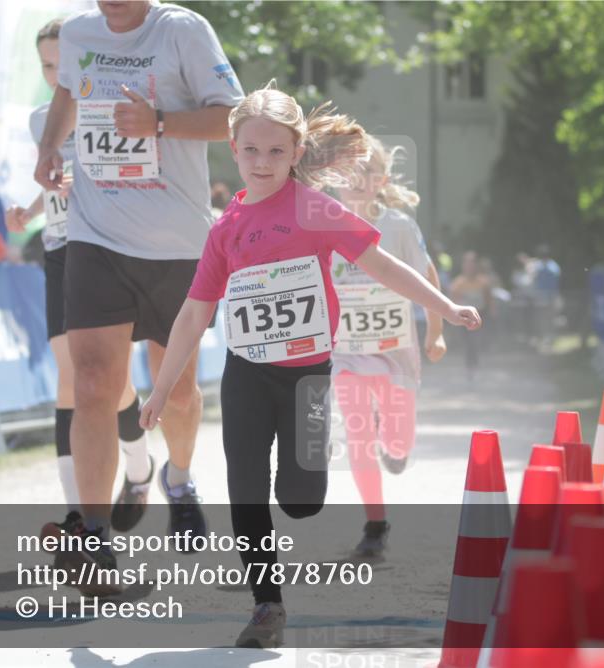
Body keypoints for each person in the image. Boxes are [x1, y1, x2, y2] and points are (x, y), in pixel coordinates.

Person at [138, 84, 481, 648]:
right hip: (246, 372)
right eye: (251, 151)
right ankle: (266, 606)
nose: (262, 162)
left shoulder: (315, 209)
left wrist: (442, 307)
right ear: (233, 148)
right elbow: (195, 312)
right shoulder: (226, 227)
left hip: (308, 375)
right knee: (245, 490)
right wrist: (160, 389)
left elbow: (383, 264)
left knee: (301, 500)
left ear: (297, 153)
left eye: (276, 152)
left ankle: (292, 519)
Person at [33, 0, 244, 576]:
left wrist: (158, 123)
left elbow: (233, 118)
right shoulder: (77, 30)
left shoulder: (181, 29)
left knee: (173, 390)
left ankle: (178, 479)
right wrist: (50, 145)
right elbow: (69, 93)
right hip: (96, 236)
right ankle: (94, 536)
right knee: (95, 382)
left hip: (176, 243)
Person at [5, 18, 149, 558]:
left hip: (108, 246)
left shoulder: (118, 105)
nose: (54, 73)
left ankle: (139, 467)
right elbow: (55, 178)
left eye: (62, 61)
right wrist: (32, 208)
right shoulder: (41, 118)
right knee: (72, 380)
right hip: (62, 251)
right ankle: (80, 519)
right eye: (46, 65)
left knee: (107, 384)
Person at [330, 134, 446, 557]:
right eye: (347, 173)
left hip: (396, 353)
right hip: (345, 353)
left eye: (366, 173)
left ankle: (394, 439)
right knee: (359, 435)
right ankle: (375, 525)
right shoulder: (322, 223)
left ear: (380, 180)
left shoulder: (397, 226)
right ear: (331, 178)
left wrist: (436, 330)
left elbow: (427, 276)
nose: (356, 181)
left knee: (396, 445)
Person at [450, 251, 495, 379]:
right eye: (467, 264)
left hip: (480, 315)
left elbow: (488, 298)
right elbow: (452, 301)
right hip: (464, 318)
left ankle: (475, 364)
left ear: (476, 266)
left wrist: (492, 312)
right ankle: (470, 366)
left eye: (472, 264)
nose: (469, 267)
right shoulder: (458, 283)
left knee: (475, 341)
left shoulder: (483, 282)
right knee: (469, 342)